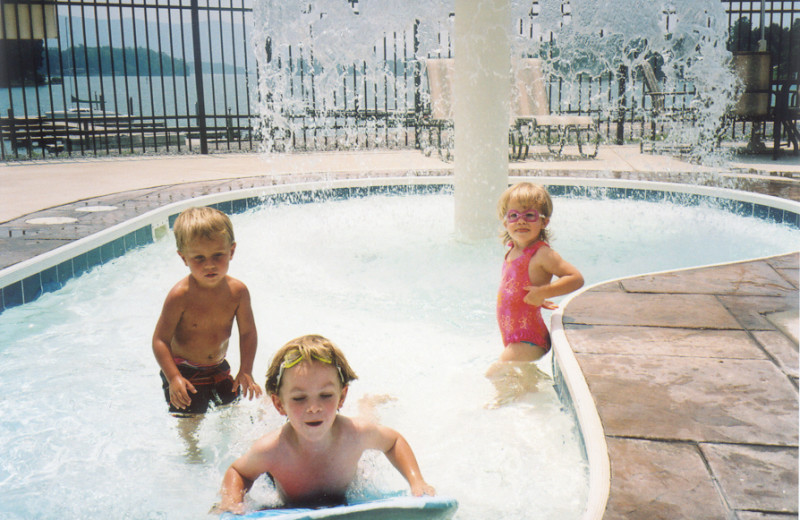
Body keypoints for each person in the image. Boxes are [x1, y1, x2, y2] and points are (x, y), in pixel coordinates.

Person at [216, 334, 435, 513]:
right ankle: (266, 406)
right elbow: (239, 471)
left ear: (341, 397)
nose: (314, 408)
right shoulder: (272, 449)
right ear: (280, 405)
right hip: (285, 489)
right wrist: (232, 501)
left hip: (346, 438)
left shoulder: (355, 434)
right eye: (299, 398)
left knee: (367, 419)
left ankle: (368, 402)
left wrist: (416, 481)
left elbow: (393, 441)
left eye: (326, 395)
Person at [152, 206, 262, 415]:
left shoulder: (238, 292)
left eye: (218, 255)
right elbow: (160, 340)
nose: (209, 265)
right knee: (189, 420)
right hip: (183, 371)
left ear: (231, 251)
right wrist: (173, 377)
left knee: (231, 411)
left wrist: (246, 369)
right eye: (199, 258)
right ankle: (191, 449)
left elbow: (248, 332)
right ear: (184, 258)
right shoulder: (180, 296)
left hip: (218, 367)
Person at [489, 183, 584, 399]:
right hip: (514, 335)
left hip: (529, 337)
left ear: (544, 221)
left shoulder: (541, 254)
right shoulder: (513, 251)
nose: (520, 220)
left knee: (496, 373)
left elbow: (576, 278)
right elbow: (520, 287)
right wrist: (537, 296)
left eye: (529, 215)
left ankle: (499, 406)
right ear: (505, 222)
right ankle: (540, 396)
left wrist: (545, 292)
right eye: (513, 215)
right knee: (525, 380)